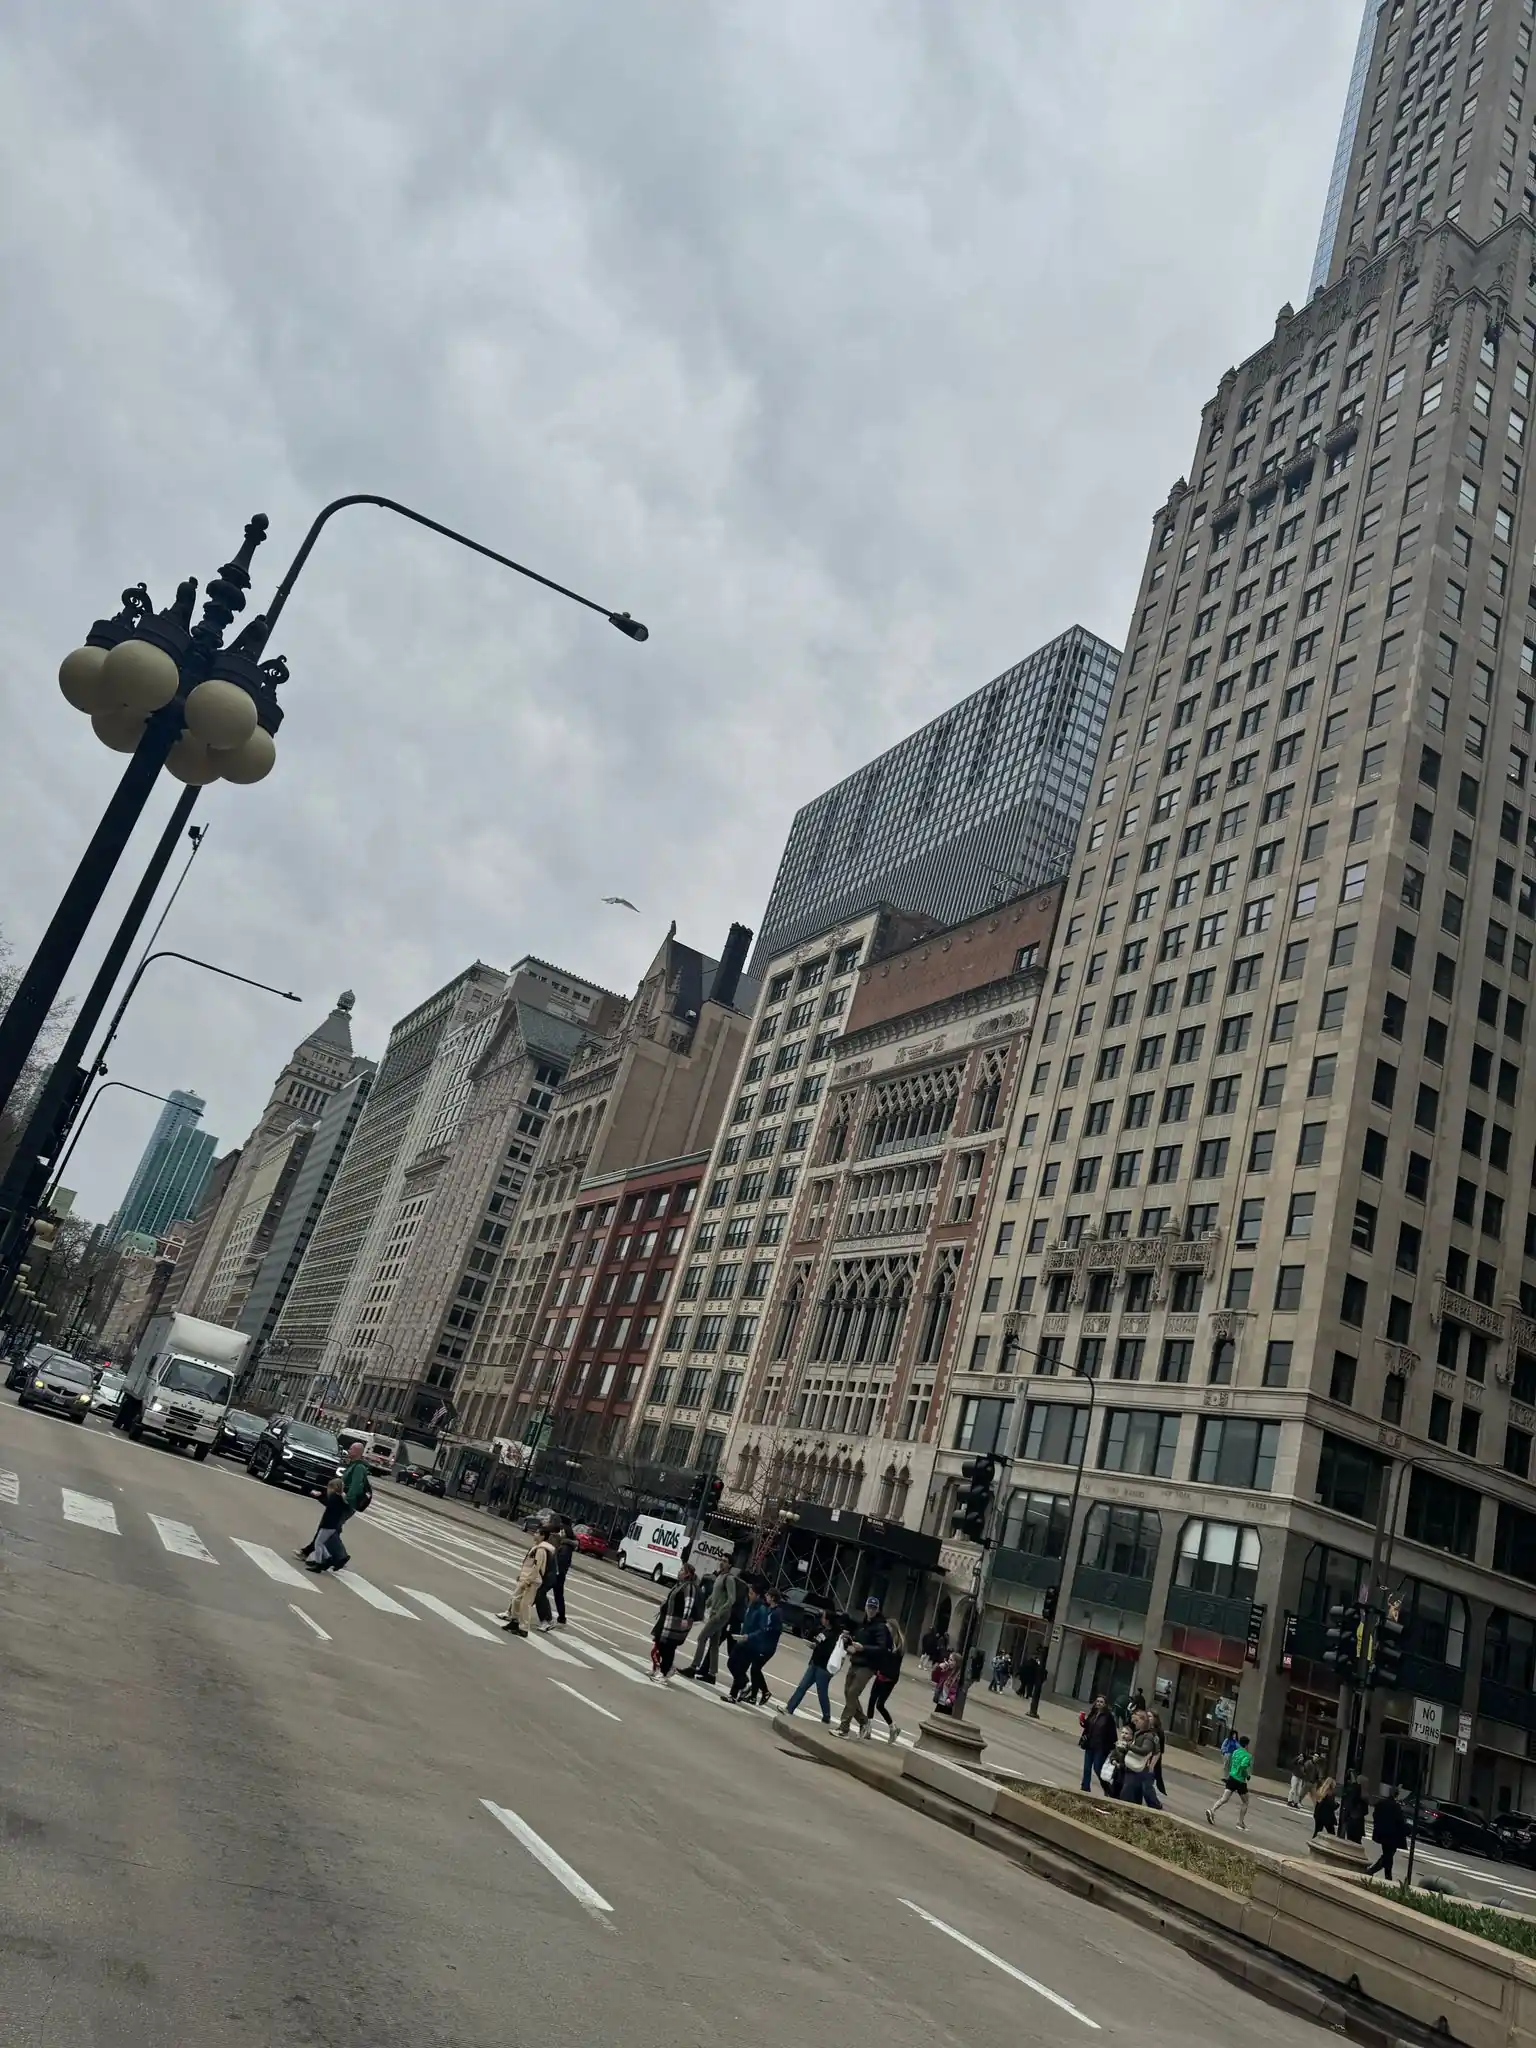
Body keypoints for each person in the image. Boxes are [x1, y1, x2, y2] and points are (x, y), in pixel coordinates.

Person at [299, 1442, 372, 1570]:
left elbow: (356, 1486)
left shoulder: (359, 1467)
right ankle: (322, 1557)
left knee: (330, 1530)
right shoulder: (353, 1465)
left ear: (357, 1452)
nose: (349, 1450)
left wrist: (346, 1500)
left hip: (346, 1504)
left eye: (351, 1449)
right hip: (342, 1502)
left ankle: (338, 1557)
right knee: (330, 1529)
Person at [838, 1596, 895, 1737]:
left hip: (868, 1666)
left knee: (853, 1693)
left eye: (874, 1608)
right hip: (856, 1661)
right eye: (869, 1607)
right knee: (848, 1693)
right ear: (865, 1607)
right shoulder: (863, 1624)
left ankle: (844, 1728)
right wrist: (849, 1643)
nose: (871, 1610)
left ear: (878, 1609)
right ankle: (864, 1722)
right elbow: (858, 1640)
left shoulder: (880, 1627)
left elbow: (881, 1648)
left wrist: (863, 1648)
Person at [683, 1557, 741, 1683]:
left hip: (720, 1615)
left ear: (730, 1565)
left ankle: (693, 1667)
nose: (722, 1562)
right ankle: (712, 1674)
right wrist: (704, 1606)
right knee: (714, 1643)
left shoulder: (729, 1579)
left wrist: (720, 1612)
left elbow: (731, 1599)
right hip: (715, 1613)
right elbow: (714, 1596)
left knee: (702, 1638)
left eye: (725, 1561)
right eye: (721, 1560)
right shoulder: (720, 1577)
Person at [499, 1520, 556, 1637]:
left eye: (537, 1533)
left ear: (542, 1536)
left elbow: (536, 1567)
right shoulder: (537, 1547)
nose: (534, 1534)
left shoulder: (541, 1550)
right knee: (516, 1599)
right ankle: (514, 1621)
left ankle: (523, 1628)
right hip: (526, 1578)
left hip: (531, 1581)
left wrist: (528, 1580)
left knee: (525, 1604)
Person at [785, 1608, 840, 1722]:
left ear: (828, 1620)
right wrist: (813, 1643)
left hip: (823, 1668)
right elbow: (816, 1640)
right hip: (814, 1663)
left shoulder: (834, 1636)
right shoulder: (823, 1630)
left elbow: (828, 1651)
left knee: (822, 1693)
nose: (821, 1619)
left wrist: (817, 1647)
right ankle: (789, 1708)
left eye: (823, 1617)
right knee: (802, 1686)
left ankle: (826, 1716)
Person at [650, 1563, 701, 1683]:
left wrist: (685, 1618)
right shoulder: (680, 1584)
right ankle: (668, 1668)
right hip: (670, 1620)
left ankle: (664, 1673)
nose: (679, 1572)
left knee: (669, 1646)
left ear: (688, 1574)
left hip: (677, 1622)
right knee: (662, 1644)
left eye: (682, 1570)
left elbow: (689, 1603)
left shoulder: (689, 1587)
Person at [741, 1585, 784, 1705]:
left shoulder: (777, 1613)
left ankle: (763, 1692)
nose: (766, 1596)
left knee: (755, 1668)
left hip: (768, 1647)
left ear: (773, 1598)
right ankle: (756, 1695)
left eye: (768, 1595)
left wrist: (766, 1629)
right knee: (755, 1669)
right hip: (762, 1644)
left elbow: (777, 1629)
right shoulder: (769, 1609)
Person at [865, 1619, 905, 1743]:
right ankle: (889, 1728)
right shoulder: (893, 1643)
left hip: (886, 1676)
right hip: (887, 1676)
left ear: (893, 1629)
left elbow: (889, 1660)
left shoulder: (896, 1644)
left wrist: (880, 1669)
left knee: (876, 1702)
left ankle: (872, 1728)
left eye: (888, 1628)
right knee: (877, 1703)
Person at [1206, 1731, 1253, 1832]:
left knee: (1224, 1798)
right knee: (1245, 1801)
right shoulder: (1247, 1756)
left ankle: (1212, 1810)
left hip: (1231, 1778)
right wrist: (1247, 1775)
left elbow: (1232, 1763)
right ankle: (1240, 1822)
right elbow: (1243, 1766)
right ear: (1247, 1745)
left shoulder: (1235, 1752)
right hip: (1240, 1781)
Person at [303, 1478, 351, 1574]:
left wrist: (318, 1496)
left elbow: (328, 1503)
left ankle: (319, 1564)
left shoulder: (334, 1497)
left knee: (318, 1543)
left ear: (333, 1488)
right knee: (321, 1542)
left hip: (328, 1524)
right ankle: (328, 1558)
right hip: (333, 1525)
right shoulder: (341, 1498)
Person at [1117, 1710, 1163, 1809]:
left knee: (1129, 1794)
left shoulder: (1150, 1736)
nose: (1135, 1723)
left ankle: (1155, 1806)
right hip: (1133, 1768)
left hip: (1139, 1769)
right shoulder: (1139, 1733)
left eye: (1136, 1721)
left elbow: (1145, 1750)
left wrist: (1128, 1746)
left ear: (1143, 1721)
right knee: (1134, 1795)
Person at [1365, 1787, 1409, 1880]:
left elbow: (1375, 1815)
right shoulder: (1396, 1806)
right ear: (1397, 1795)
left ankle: (1385, 1875)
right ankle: (1375, 1872)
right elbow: (1400, 1821)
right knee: (1388, 1856)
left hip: (1382, 1834)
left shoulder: (1382, 1803)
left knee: (1387, 1855)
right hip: (1392, 1836)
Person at [1079, 1695, 1118, 1794]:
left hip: (1100, 1747)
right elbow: (1088, 1726)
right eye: (1097, 1701)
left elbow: (1113, 1734)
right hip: (1090, 1745)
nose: (1099, 1704)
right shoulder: (1093, 1713)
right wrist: (1082, 1721)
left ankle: (1107, 1788)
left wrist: (1110, 1746)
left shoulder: (1108, 1717)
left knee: (1098, 1768)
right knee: (1087, 1768)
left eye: (1101, 1702)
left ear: (1105, 1704)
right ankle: (1085, 1788)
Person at [548, 1517, 575, 1626]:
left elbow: (561, 1561)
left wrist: (555, 1570)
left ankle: (548, 1617)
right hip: (559, 1574)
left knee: (540, 1592)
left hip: (557, 1574)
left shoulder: (565, 1547)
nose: (560, 1532)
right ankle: (561, 1618)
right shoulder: (564, 1545)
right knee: (558, 1595)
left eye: (562, 1531)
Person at [1338, 1774, 1368, 1844]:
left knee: (1350, 1842)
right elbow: (1366, 1811)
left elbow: (1348, 1806)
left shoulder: (1353, 1791)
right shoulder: (1365, 1795)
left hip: (1352, 1820)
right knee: (1357, 1842)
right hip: (1359, 1822)